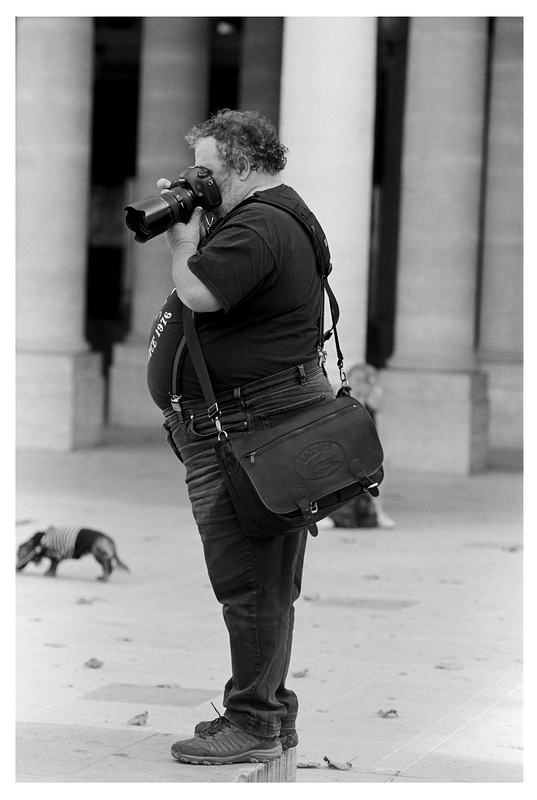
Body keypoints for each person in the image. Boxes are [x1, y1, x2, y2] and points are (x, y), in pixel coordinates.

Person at [146, 109, 336, 766]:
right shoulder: (267, 218)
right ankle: (267, 710)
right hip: (252, 425)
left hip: (249, 429)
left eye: (205, 169)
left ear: (245, 164)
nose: (194, 179)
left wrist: (181, 240)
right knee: (265, 579)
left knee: (251, 581)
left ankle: (254, 721)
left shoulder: (260, 224)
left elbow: (198, 292)